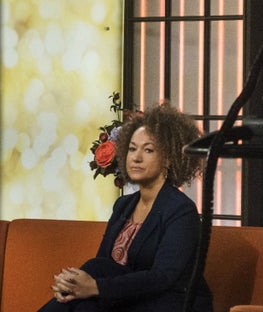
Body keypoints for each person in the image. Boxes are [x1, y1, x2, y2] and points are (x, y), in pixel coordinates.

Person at [38, 103, 213, 312]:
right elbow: (103, 263)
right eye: (132, 149)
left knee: (92, 281)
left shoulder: (181, 210)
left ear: (168, 158)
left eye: (148, 150)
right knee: (85, 302)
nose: (136, 157)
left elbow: (163, 277)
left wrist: (95, 287)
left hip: (170, 302)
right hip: (128, 299)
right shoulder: (123, 205)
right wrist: (74, 286)